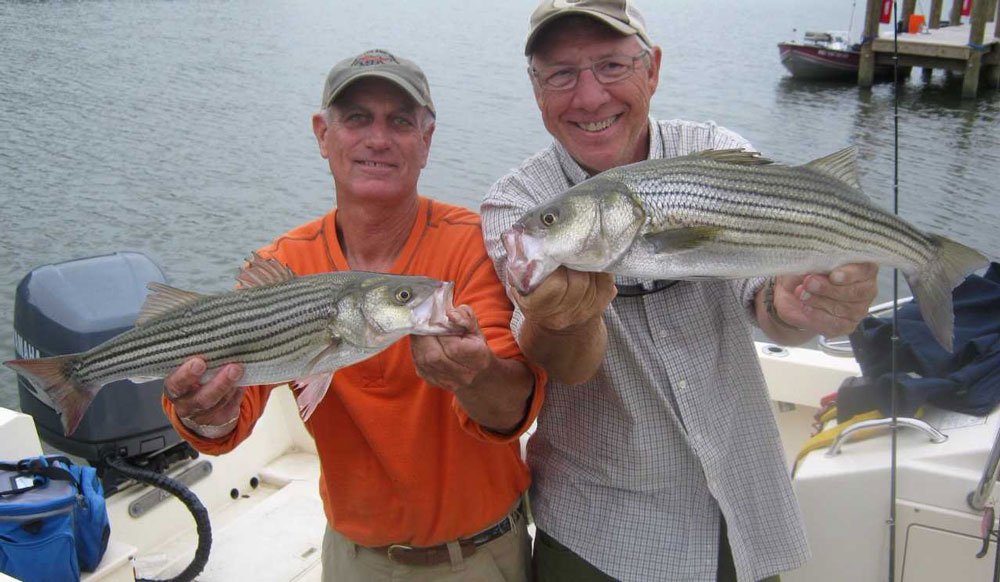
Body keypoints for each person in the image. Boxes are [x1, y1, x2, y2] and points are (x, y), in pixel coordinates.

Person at [480, 2, 879, 581]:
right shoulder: (518, 208)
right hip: (602, 533)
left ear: (653, 69)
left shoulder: (714, 150)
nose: (590, 97)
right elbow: (566, 365)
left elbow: (768, 303)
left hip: (744, 516)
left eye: (612, 66)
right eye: (561, 74)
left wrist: (800, 307)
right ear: (536, 91)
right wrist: (560, 319)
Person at [160, 49, 546, 582]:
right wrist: (207, 409)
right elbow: (227, 423)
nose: (378, 139)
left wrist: (476, 372)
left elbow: (510, 412)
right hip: (351, 561)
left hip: (482, 558)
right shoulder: (282, 265)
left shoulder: (470, 247)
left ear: (427, 141)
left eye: (400, 121)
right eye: (357, 118)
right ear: (323, 134)